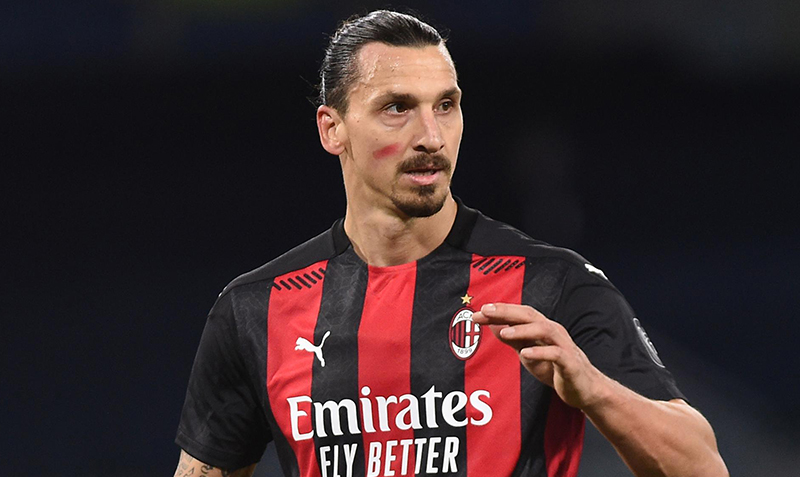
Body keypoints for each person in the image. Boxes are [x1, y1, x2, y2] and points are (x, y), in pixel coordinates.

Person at [174, 10, 728, 477]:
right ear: (331, 128)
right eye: (397, 108)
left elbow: (704, 467)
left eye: (445, 105)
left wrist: (594, 388)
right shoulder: (256, 310)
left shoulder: (552, 285)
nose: (432, 137)